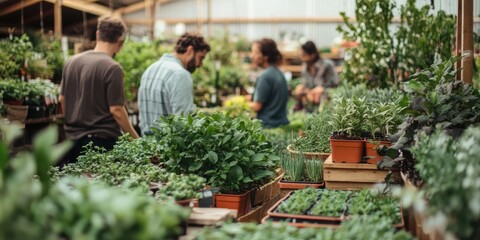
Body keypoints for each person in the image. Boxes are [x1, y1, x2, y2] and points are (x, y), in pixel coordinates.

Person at [59, 16, 139, 167]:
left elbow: (62, 99)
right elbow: (116, 110)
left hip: (72, 141)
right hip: (101, 143)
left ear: (97, 35)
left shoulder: (71, 61)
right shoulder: (112, 67)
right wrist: (135, 138)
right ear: (120, 42)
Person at [138, 33, 210, 135]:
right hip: (168, 148)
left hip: (145, 146)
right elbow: (183, 123)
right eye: (201, 58)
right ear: (190, 50)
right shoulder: (180, 75)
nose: (200, 64)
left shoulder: (150, 69)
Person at [249, 38, 289, 128]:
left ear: (265, 56)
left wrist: (238, 104)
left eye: (255, 53)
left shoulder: (265, 76)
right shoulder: (278, 72)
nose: (252, 56)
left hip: (268, 125)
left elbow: (256, 106)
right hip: (280, 124)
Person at [294, 41, 339, 111]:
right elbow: (305, 84)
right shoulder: (305, 67)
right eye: (301, 55)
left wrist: (323, 88)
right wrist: (302, 88)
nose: (302, 58)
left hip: (326, 99)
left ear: (313, 55)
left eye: (304, 55)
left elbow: (335, 83)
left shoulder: (327, 65)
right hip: (311, 98)